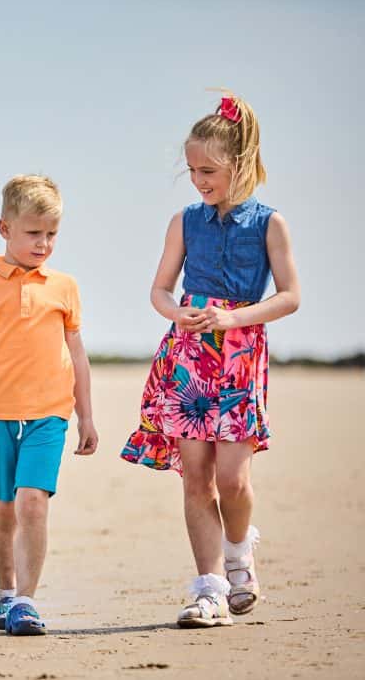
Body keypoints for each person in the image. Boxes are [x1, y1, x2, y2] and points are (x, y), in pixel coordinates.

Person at [120, 93, 301, 628]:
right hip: (188, 357)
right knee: (195, 478)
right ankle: (209, 590)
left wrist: (233, 320)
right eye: (193, 170)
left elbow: (290, 296)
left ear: (240, 164)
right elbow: (158, 289)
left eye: (209, 170)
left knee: (234, 482)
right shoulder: (184, 221)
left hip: (240, 356)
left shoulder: (271, 224)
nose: (200, 180)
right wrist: (177, 312)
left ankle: (240, 552)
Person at [0, 175, 98, 636]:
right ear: (4, 227)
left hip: (50, 413)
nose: (43, 243)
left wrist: (85, 415)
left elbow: (77, 354)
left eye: (52, 234)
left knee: (33, 502)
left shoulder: (64, 287)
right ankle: (6, 593)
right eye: (34, 233)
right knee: (3, 510)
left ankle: (27, 602)